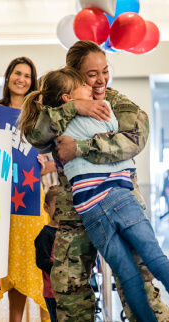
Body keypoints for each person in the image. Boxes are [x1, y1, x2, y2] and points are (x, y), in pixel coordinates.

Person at [18, 40, 169, 321]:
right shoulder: (57, 104)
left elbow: (134, 140)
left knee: (137, 282)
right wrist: (74, 107)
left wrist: (80, 147)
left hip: (120, 203)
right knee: (69, 291)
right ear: (75, 73)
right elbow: (35, 135)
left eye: (104, 71)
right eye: (91, 74)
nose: (101, 79)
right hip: (76, 212)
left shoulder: (118, 103)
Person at [0, 57, 51, 322]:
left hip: (29, 204)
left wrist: (45, 166)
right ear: (7, 78)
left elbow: (60, 157)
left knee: (30, 268)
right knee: (5, 266)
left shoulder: (40, 116)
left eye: (28, 75)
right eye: (17, 73)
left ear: (33, 82)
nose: (22, 79)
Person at [35, 185, 59, 322]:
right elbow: (41, 261)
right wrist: (60, 270)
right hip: (53, 293)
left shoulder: (68, 231)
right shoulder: (45, 234)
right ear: (46, 208)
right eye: (57, 206)